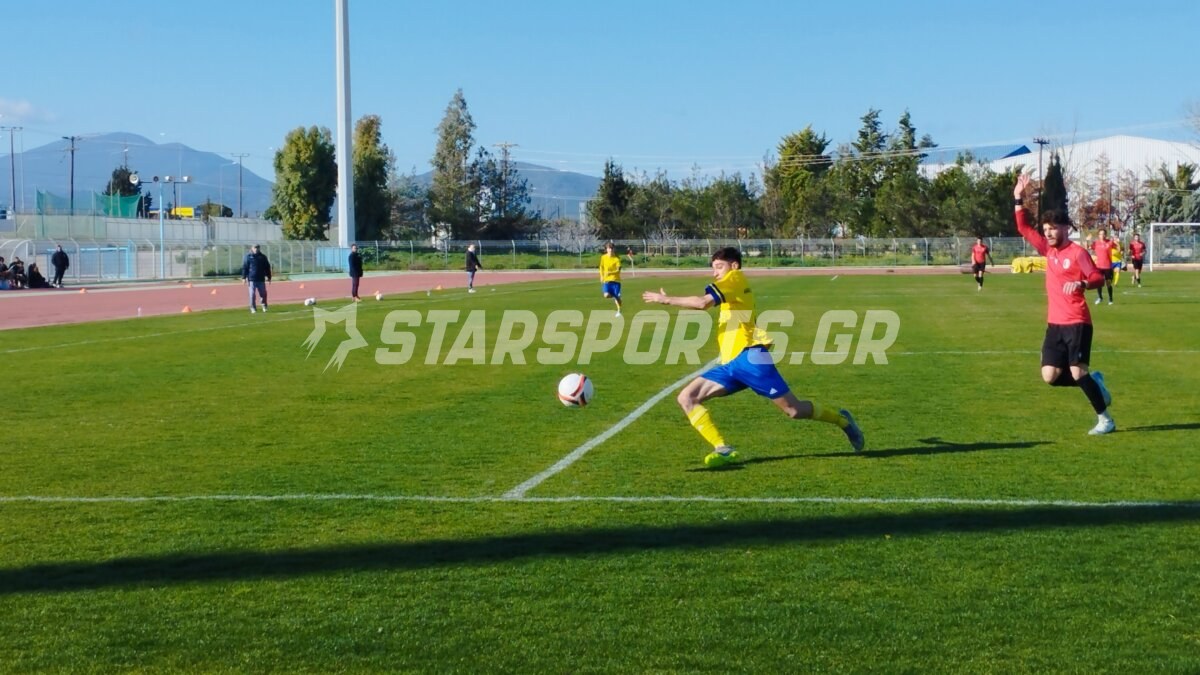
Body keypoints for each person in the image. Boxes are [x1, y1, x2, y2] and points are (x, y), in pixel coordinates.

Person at [642, 246, 865, 467]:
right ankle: (722, 448)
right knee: (687, 398)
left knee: (793, 410)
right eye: (713, 268)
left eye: (719, 266)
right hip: (732, 363)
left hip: (751, 358)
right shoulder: (731, 284)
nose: (715, 272)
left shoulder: (735, 278)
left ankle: (842, 420)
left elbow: (703, 303)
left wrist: (666, 300)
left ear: (734, 265)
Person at [1013, 174, 1115, 435]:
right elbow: (1024, 228)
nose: (1048, 233)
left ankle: (1105, 420)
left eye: (1053, 229)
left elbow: (1097, 277)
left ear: (1065, 229)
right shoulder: (1049, 251)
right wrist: (1018, 198)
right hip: (1055, 325)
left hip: (1077, 323)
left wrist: (1081, 283)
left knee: (1078, 373)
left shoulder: (1077, 253)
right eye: (1046, 229)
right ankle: (1095, 383)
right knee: (1050, 376)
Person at [241, 244, 272, 313]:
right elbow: (245, 267)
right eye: (255, 248)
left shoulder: (263, 257)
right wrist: (244, 277)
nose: (256, 249)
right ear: (252, 248)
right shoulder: (248, 257)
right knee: (252, 294)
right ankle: (253, 307)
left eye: (257, 248)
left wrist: (269, 277)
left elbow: (267, 267)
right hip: (251, 279)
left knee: (263, 294)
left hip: (261, 279)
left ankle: (264, 305)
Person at [1090, 228, 1116, 305]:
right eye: (1101, 234)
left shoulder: (1110, 242)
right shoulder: (1096, 243)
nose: (1102, 235)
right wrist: (1088, 240)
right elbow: (1088, 247)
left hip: (1108, 266)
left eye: (1104, 234)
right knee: (1099, 283)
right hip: (1098, 266)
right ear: (1098, 235)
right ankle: (1100, 297)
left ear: (1106, 235)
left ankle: (1110, 299)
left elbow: (1118, 248)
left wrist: (1117, 242)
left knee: (1108, 283)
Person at [599, 241, 623, 317]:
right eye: (609, 248)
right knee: (606, 295)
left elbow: (618, 270)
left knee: (617, 299)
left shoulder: (616, 259)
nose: (610, 250)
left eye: (612, 248)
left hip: (615, 280)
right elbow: (601, 267)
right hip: (607, 280)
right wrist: (601, 276)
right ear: (606, 249)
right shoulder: (603, 257)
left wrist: (610, 272)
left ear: (614, 249)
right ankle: (615, 296)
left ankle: (619, 311)